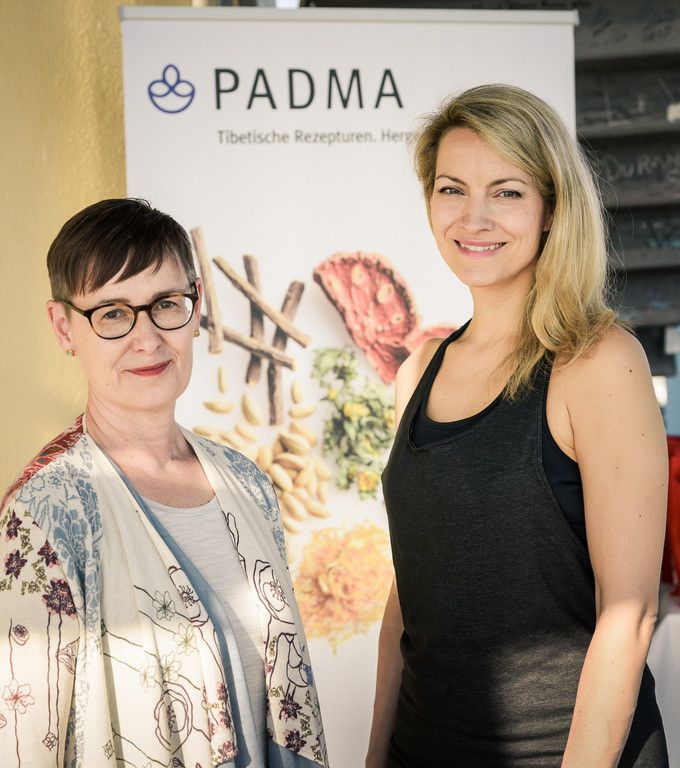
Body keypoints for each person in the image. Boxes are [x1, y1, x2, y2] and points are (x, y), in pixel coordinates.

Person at [366, 84, 669, 768]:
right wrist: (376, 755)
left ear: (551, 207)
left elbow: (629, 615)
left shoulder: (597, 362)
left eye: (506, 191)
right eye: (451, 189)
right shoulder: (419, 371)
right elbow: (408, 595)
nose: (473, 217)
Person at [0, 199, 327, 768]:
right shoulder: (43, 515)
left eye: (166, 304)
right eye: (112, 314)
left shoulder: (246, 483)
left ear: (196, 307)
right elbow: (22, 746)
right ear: (63, 327)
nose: (148, 339)